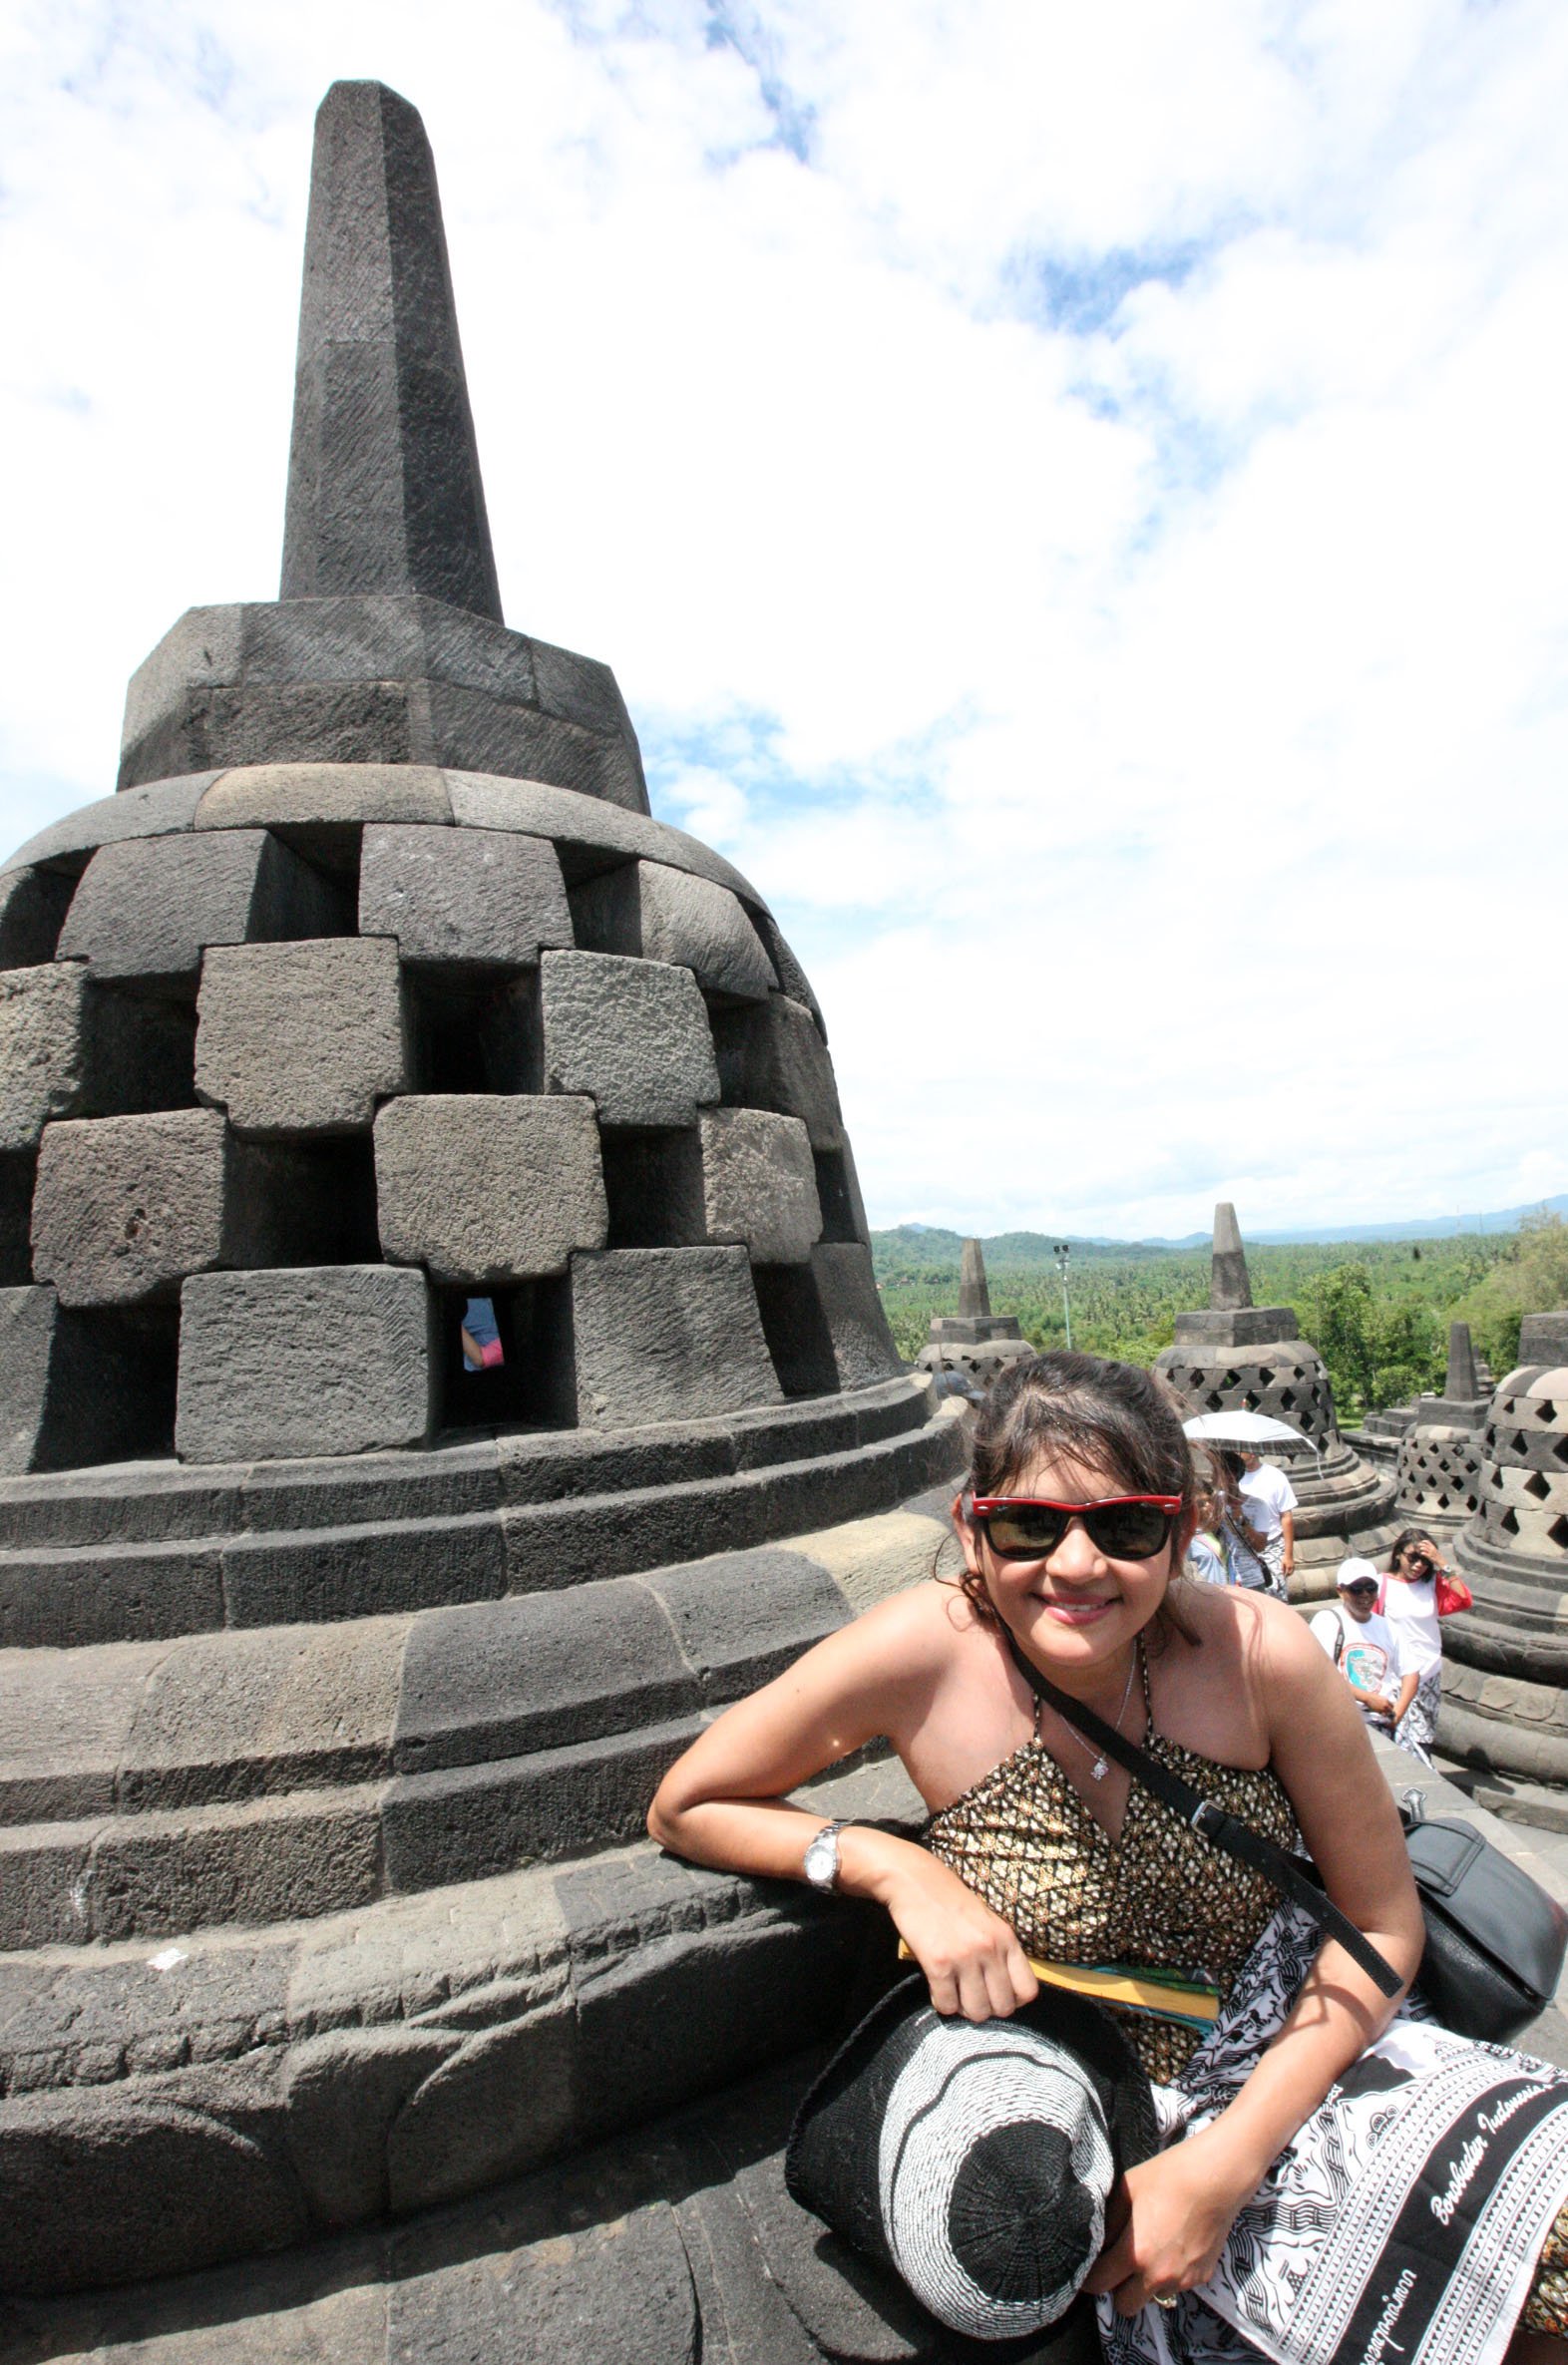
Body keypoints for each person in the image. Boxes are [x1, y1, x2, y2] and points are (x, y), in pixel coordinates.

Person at [649, 1353, 1568, 2363]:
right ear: (974, 1527)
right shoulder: (927, 1651)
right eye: (1031, 1525)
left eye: (1124, 1526)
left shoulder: (1258, 1653)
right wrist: (890, 1865)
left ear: (1180, 1530)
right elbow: (688, 1802)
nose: (1076, 1565)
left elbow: (1384, 1927)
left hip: (1317, 2046)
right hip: (1113, 2105)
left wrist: (1226, 2164)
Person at [1310, 1555, 1417, 1742]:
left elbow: (1411, 1672)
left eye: (1371, 1588)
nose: (1365, 1595)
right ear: (1341, 1591)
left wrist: (1398, 1711)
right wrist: (1366, 1698)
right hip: (1340, 1721)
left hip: (1380, 1723)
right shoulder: (1327, 1621)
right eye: (1357, 1589)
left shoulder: (1388, 1627)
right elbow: (1320, 1674)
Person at [1378, 1527, 1455, 1767]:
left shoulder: (1431, 1583)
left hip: (1428, 1672)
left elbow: (1462, 1599)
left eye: (1424, 1560)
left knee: (1422, 1737)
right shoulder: (1382, 1585)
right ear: (1399, 1554)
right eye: (1413, 1558)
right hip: (1395, 1674)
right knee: (1397, 1733)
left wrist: (1441, 1563)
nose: (1418, 1565)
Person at [1233, 1448, 1297, 1593]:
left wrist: (1288, 1554)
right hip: (1243, 1547)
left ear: (1253, 1453)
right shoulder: (1234, 1478)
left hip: (1271, 1545)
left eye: (1240, 1451)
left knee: (1274, 1593)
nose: (1236, 1454)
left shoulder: (1275, 1477)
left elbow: (1286, 1516)